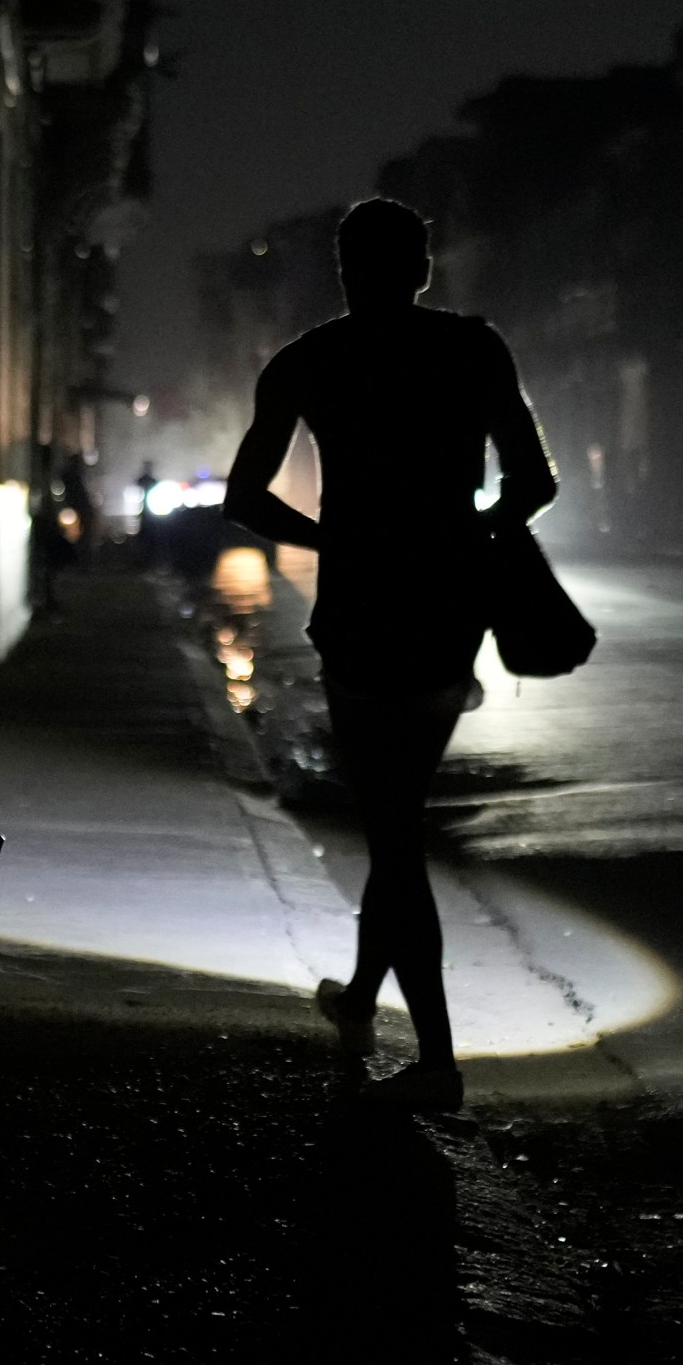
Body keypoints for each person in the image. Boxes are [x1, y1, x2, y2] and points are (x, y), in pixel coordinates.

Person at [224, 198, 557, 1110]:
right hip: (450, 614)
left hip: (363, 617)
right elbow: (535, 481)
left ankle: (439, 1062)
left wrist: (336, 542)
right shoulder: (475, 347)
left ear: (343, 271)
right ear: (424, 267)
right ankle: (368, 994)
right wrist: (472, 534)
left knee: (394, 828)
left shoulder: (308, 361)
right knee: (397, 815)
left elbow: (246, 497)